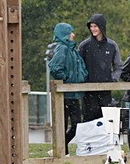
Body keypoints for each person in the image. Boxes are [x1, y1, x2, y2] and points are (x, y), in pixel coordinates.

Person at [47, 22, 89, 154]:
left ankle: (61, 149)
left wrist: (82, 77)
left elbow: (82, 68)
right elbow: (54, 67)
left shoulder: (73, 51)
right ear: (64, 34)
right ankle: (62, 152)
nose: (73, 35)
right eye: (71, 32)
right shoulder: (62, 48)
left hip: (74, 93)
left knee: (77, 125)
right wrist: (66, 78)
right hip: (64, 94)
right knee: (63, 124)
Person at [77, 13, 122, 122]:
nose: (93, 29)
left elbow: (118, 65)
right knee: (89, 122)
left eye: (95, 26)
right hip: (89, 91)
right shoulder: (84, 45)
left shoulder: (112, 45)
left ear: (101, 26)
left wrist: (113, 79)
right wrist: (84, 79)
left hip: (105, 91)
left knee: (105, 122)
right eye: (91, 26)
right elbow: (79, 66)